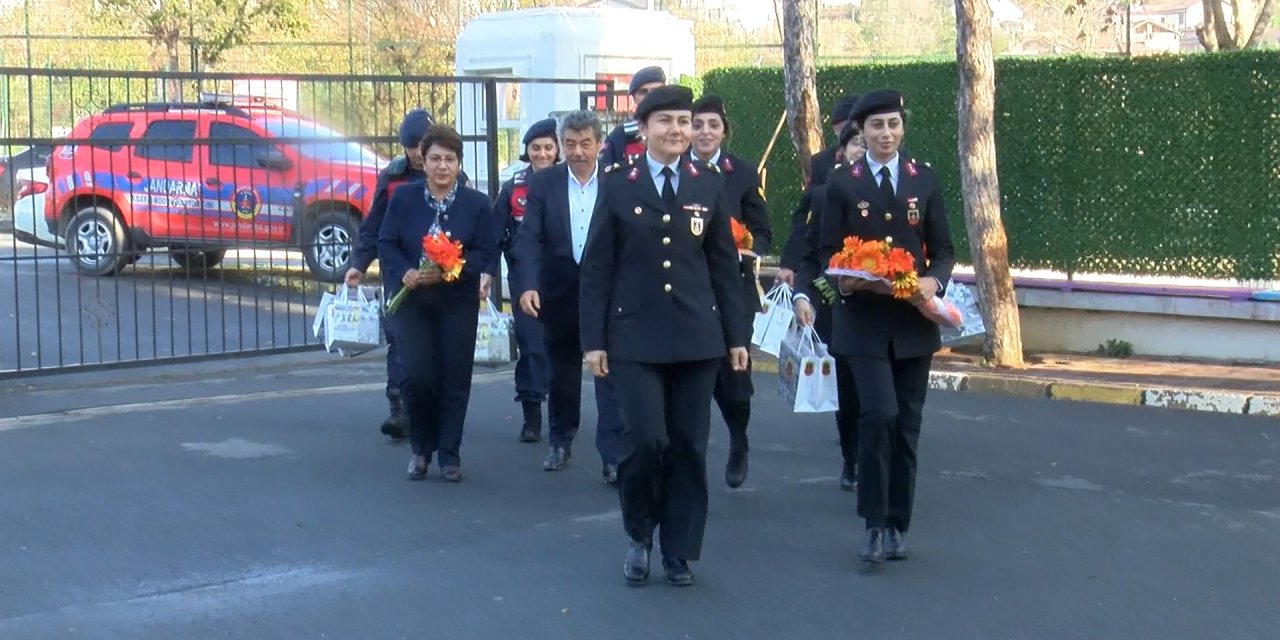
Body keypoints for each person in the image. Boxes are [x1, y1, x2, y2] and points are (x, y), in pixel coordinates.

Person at [579, 85, 750, 587]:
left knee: (689, 447)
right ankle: (640, 534)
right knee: (646, 440)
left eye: (684, 121)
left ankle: (680, 549)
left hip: (697, 338)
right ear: (643, 128)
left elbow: (724, 267)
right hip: (634, 337)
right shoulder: (618, 183)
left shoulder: (708, 183)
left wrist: (736, 336)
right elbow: (597, 267)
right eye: (666, 121)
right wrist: (594, 341)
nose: (678, 130)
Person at [793, 90, 955, 564]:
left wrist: (932, 281)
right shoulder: (843, 183)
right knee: (878, 414)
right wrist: (844, 279)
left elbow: (943, 250)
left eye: (893, 124)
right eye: (877, 126)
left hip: (912, 323)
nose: (886, 134)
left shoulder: (923, 179)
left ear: (903, 127)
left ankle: (898, 524)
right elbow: (826, 252)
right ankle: (873, 522)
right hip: (861, 321)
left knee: (906, 424)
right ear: (860, 132)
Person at [378, 124, 499, 483]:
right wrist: (404, 272)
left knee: (454, 377)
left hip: (456, 303)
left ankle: (449, 452)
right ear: (423, 160)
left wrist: (452, 269)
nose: (442, 166)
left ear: (459, 163)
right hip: (414, 303)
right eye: (435, 159)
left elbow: (486, 253)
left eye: (449, 159)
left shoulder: (476, 204)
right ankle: (421, 448)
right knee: (417, 376)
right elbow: (386, 243)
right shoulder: (404, 198)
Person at [513, 111, 626, 483]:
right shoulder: (544, 183)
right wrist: (528, 284)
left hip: (606, 294)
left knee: (608, 373)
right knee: (561, 373)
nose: (578, 152)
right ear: (561, 145)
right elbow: (529, 237)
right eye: (571, 144)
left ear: (599, 145)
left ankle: (612, 455)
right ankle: (560, 441)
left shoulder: (618, 182)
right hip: (558, 292)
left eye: (585, 144)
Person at [346, 109, 468, 441]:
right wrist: (359, 263)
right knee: (399, 338)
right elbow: (375, 225)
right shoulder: (392, 177)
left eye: (420, 145)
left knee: (437, 343)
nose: (416, 153)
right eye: (410, 146)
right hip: (400, 271)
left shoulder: (453, 174)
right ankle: (399, 407)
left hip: (440, 273)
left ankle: (433, 408)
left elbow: (466, 225)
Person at [689, 94, 772, 489]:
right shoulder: (677, 169)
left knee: (734, 379)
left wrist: (746, 247)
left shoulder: (740, 172)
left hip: (732, 289)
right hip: (688, 286)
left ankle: (739, 439)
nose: (705, 132)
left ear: (724, 131)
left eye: (713, 125)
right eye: (698, 124)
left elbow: (762, 229)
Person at [492, 118, 557, 443]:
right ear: (527, 151)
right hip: (525, 282)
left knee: (559, 350)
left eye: (548, 148)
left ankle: (562, 418)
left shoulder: (571, 181)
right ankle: (532, 416)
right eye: (536, 148)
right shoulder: (513, 188)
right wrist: (486, 273)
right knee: (531, 347)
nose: (542, 154)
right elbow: (494, 233)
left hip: (563, 281)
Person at [598, 65, 665, 166]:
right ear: (634, 98)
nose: (650, 96)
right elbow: (604, 169)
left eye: (656, 91)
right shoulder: (620, 135)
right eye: (643, 92)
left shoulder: (679, 130)